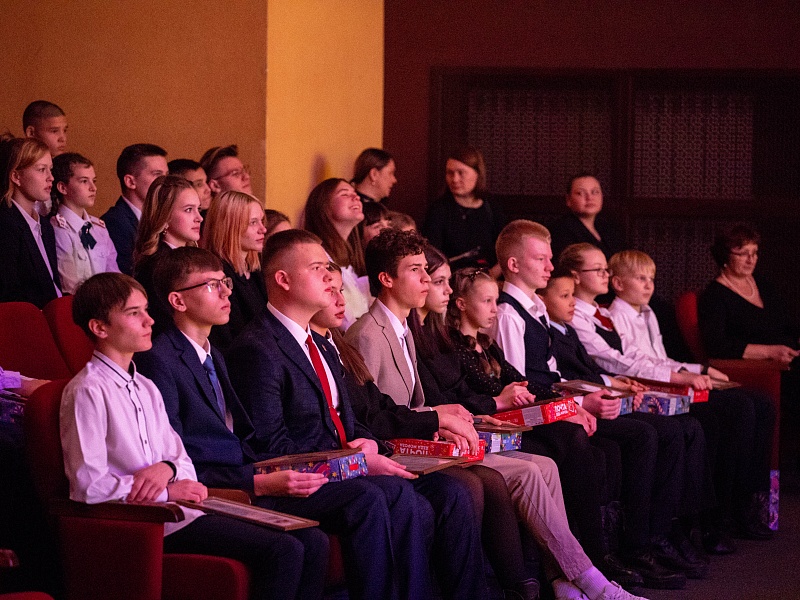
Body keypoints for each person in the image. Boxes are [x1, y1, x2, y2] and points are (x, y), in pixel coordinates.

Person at [347, 228, 646, 600]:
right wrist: (442, 418)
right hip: (407, 448)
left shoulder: (404, 327)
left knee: (545, 466)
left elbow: (419, 403)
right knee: (528, 470)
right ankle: (581, 581)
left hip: (431, 437)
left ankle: (564, 580)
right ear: (386, 279)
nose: (426, 279)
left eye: (427, 270)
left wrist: (451, 414)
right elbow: (377, 415)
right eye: (415, 270)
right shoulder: (368, 334)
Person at [61, 272, 325, 600]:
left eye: (146, 310)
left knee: (313, 540)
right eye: (133, 313)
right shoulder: (87, 390)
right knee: (284, 549)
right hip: (147, 522)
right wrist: (166, 491)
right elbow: (88, 486)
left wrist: (168, 469)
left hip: (184, 508)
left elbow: (180, 457)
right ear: (99, 328)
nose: (149, 320)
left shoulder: (144, 385)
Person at [226, 229, 435, 600]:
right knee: (368, 497)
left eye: (328, 267)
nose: (328, 276)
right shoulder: (258, 347)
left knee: (407, 493)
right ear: (283, 280)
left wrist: (369, 444)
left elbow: (348, 423)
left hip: (337, 467)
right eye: (316, 268)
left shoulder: (321, 344)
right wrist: (352, 464)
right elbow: (271, 446)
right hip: (295, 479)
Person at [488, 220, 689, 589]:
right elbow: (519, 385)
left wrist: (580, 400)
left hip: (552, 403)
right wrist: (576, 405)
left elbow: (553, 375)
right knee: (598, 441)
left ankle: (634, 545)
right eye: (541, 259)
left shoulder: (535, 308)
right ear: (513, 265)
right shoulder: (508, 314)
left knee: (633, 440)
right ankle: (598, 557)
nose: (550, 267)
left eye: (550, 258)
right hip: (528, 415)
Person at [563, 243, 773, 550]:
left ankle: (734, 509)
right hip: (633, 388)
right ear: (575, 276)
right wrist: (683, 376)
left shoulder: (608, 314)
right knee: (710, 420)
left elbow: (645, 357)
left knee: (752, 405)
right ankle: (692, 524)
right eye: (599, 270)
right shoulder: (591, 316)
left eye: (606, 269)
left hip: (637, 383)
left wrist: (694, 369)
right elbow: (617, 362)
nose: (605, 274)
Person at [309, 264, 493, 599]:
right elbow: (369, 419)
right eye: (329, 290)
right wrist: (431, 421)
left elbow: (379, 405)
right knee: (449, 492)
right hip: (357, 456)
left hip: (381, 445)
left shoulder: (337, 345)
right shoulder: (355, 337)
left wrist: (435, 420)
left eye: (340, 290)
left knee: (458, 490)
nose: (340, 300)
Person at [536, 267, 710, 580]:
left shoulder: (567, 327)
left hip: (592, 396)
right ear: (542, 299)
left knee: (683, 427)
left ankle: (667, 531)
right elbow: (554, 380)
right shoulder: (548, 326)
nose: (572, 301)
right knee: (649, 434)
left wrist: (617, 383)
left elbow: (594, 369)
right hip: (572, 407)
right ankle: (638, 543)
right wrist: (602, 390)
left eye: (572, 295)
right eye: (564, 295)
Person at [698, 224, 800, 364]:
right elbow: (717, 346)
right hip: (764, 368)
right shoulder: (714, 296)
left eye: (754, 252)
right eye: (743, 254)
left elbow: (786, 323)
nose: (751, 260)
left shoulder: (763, 284)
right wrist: (769, 352)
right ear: (725, 256)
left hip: (791, 357)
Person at [133, 175, 202, 337]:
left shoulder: (193, 258)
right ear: (164, 216)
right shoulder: (156, 267)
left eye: (198, 209)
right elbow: (166, 326)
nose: (199, 218)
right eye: (188, 210)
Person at [201, 190, 268, 350]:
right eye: (253, 222)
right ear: (230, 227)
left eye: (261, 221)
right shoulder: (218, 276)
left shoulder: (255, 271)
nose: (263, 229)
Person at [423, 146, 506, 273]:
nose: (455, 179)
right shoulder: (438, 210)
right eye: (450, 173)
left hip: (489, 277)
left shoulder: (493, 208)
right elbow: (431, 254)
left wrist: (492, 276)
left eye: (461, 173)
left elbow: (506, 249)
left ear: (477, 173)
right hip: (452, 277)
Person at [0, 137, 62, 307]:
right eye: (41, 169)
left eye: (50, 169)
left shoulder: (46, 226)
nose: (51, 178)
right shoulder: (5, 225)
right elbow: (9, 294)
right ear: (16, 176)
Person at [304, 178, 370, 330]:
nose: (356, 197)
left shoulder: (353, 255)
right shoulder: (318, 257)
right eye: (345, 194)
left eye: (355, 193)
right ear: (324, 206)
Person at [50, 152, 119, 293]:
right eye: (84, 181)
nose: (93, 188)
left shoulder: (99, 229)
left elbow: (113, 274)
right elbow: (69, 284)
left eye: (94, 181)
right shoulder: (56, 229)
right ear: (63, 188)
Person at [102, 144, 168, 274]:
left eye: (166, 175)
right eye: (157, 175)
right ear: (130, 182)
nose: (165, 182)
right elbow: (126, 276)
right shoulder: (114, 223)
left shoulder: (163, 217)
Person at [548, 173, 625, 263]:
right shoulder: (560, 231)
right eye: (580, 193)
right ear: (568, 199)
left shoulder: (610, 227)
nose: (589, 197)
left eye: (595, 192)